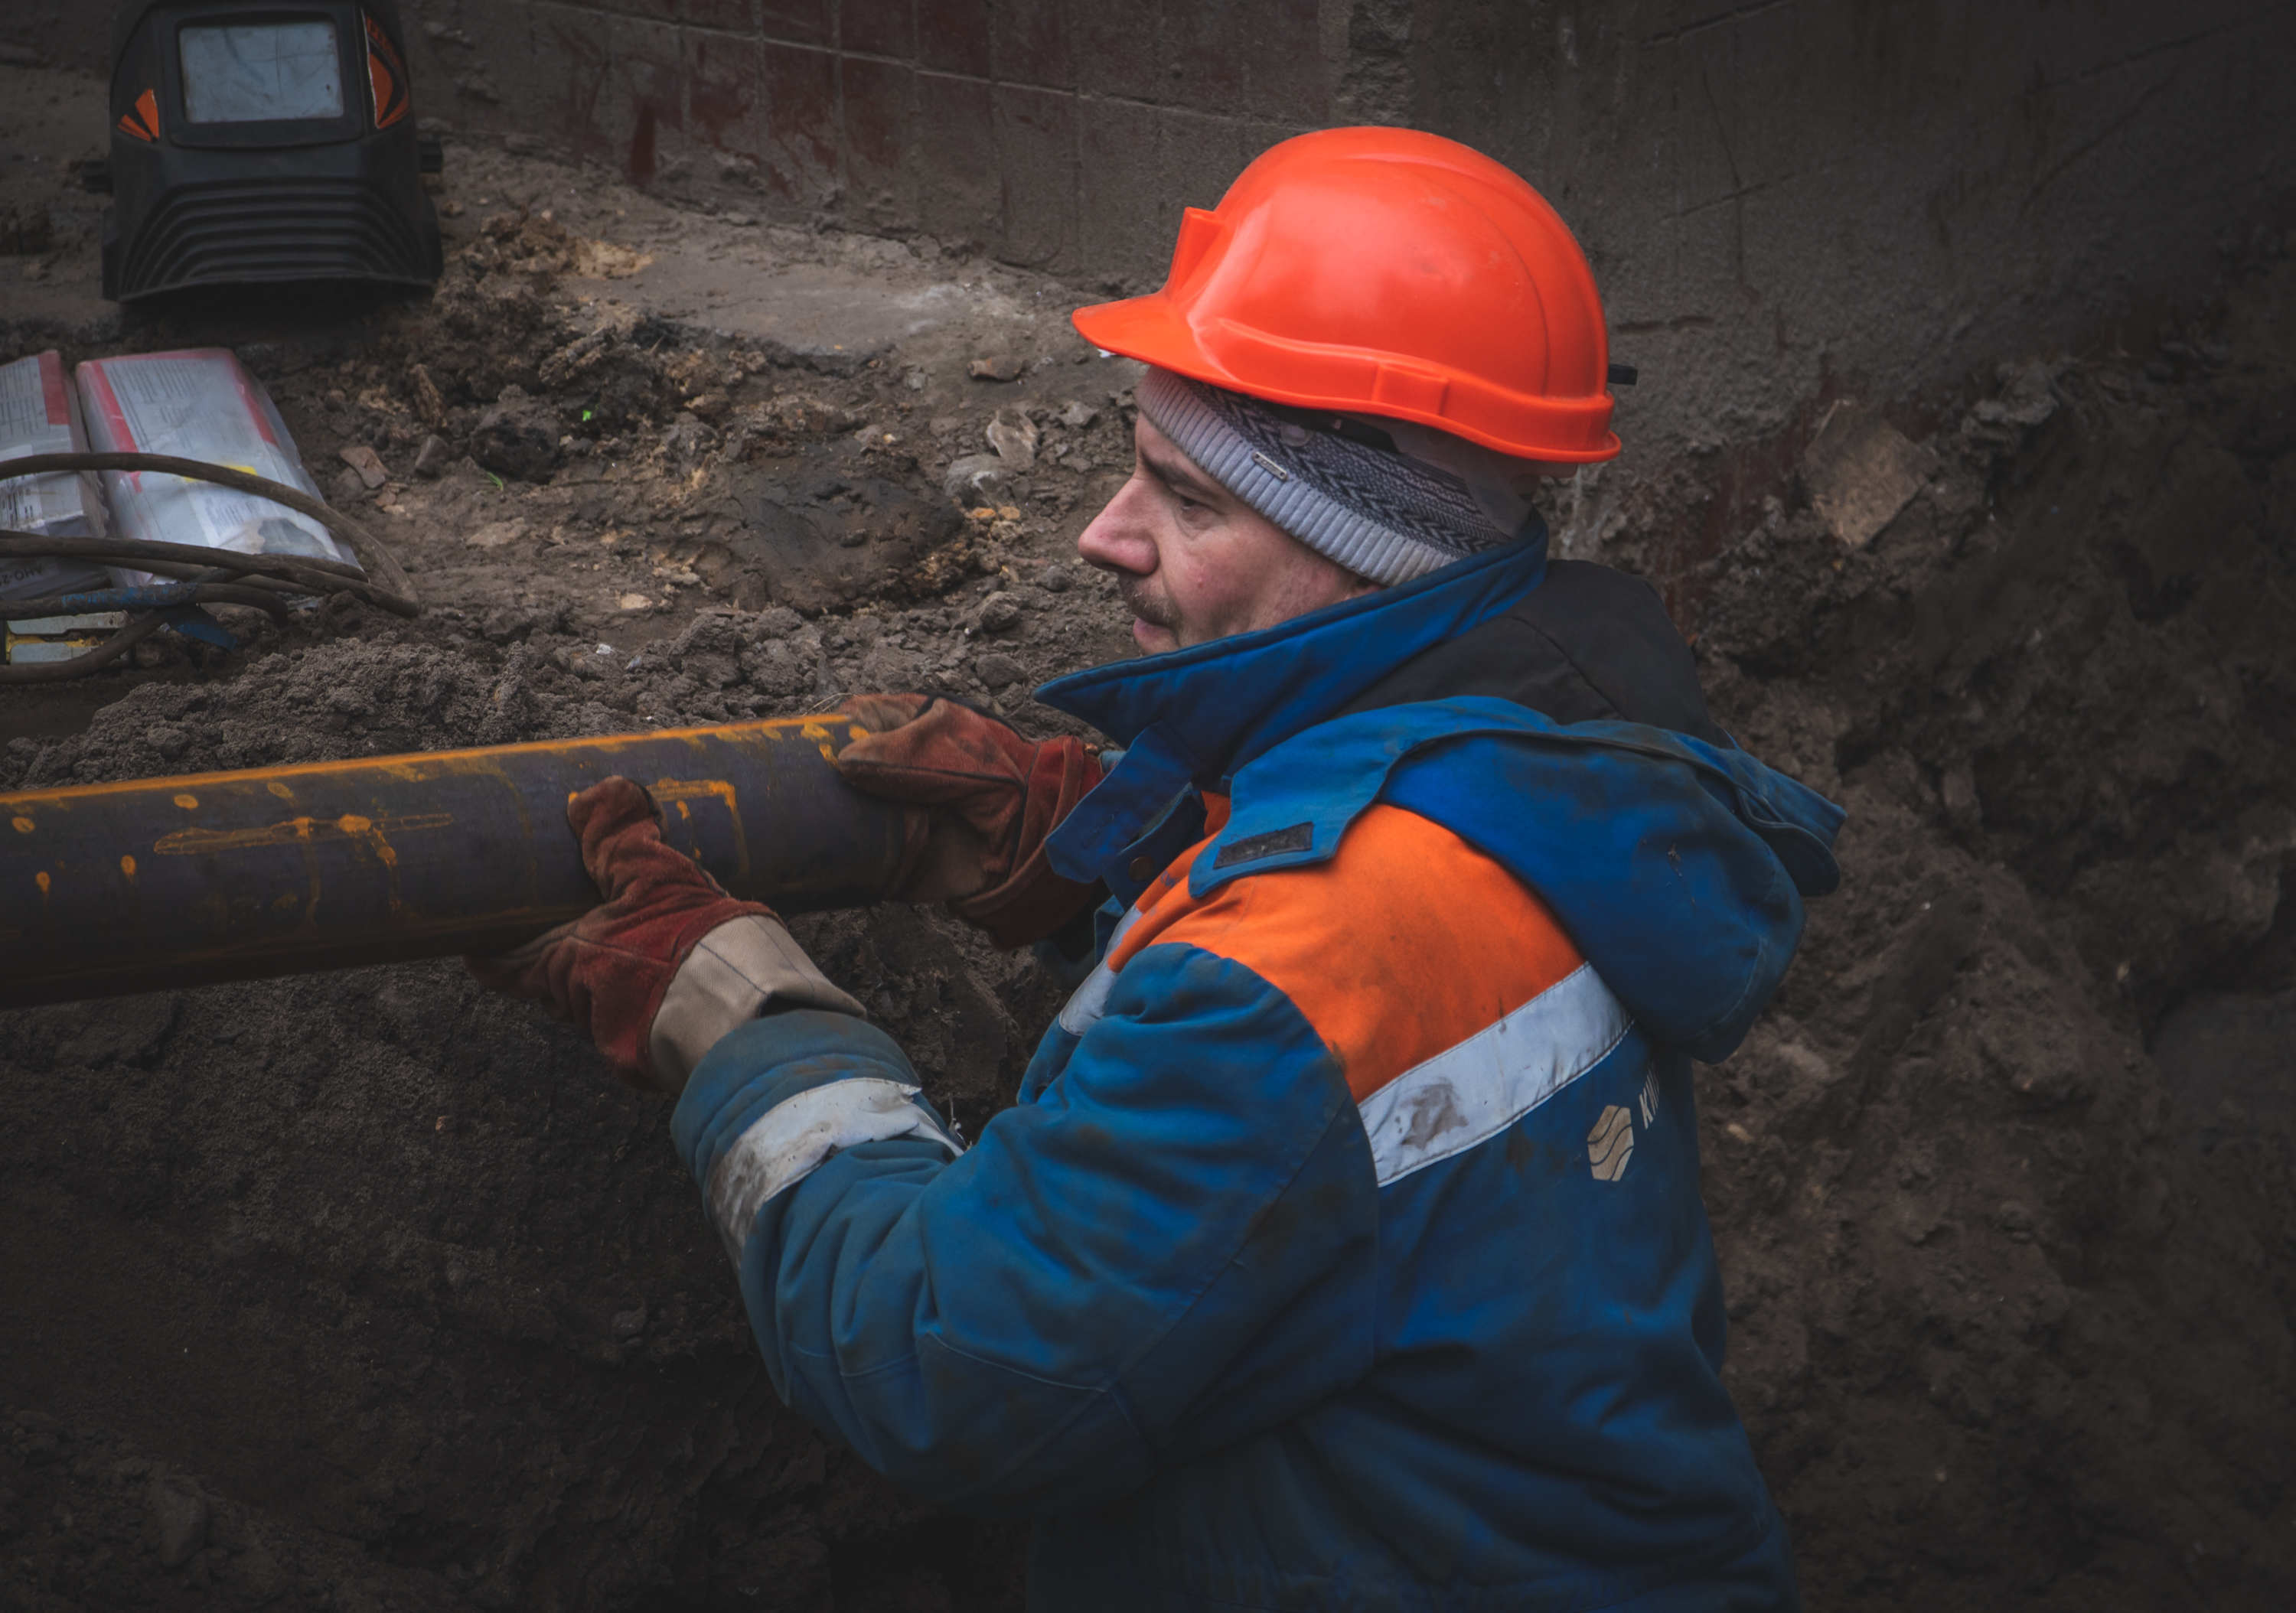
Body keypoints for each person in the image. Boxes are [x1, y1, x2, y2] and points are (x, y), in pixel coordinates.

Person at [473, 127, 1843, 1611]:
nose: (1101, 534)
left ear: (1366, 553)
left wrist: (739, 1020)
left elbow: (944, 1363)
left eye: (1191, 500)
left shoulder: (1299, 975)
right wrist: (1130, 867)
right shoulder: (1559, 767)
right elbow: (1362, 1078)